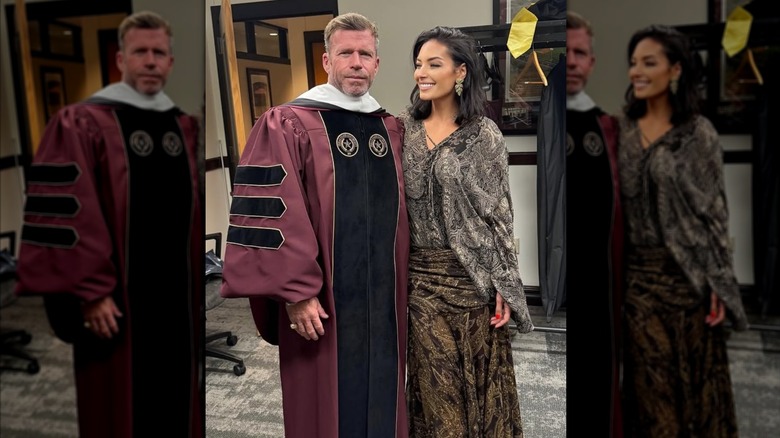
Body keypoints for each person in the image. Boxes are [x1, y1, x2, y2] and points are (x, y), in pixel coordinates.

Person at [14, 11, 204, 438]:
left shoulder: (182, 126)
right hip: (116, 304)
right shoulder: (82, 122)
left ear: (171, 62)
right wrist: (92, 291)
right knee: (120, 409)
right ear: (121, 59)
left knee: (178, 399)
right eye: (140, 52)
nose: (151, 61)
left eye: (159, 53)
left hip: (177, 300)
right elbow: (70, 213)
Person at [219, 12, 409, 438]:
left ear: (377, 63)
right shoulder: (288, 123)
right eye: (346, 53)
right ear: (327, 60)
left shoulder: (391, 127)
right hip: (323, 305)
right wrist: (297, 293)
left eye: (365, 54)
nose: (356, 62)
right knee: (324, 406)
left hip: (385, 305)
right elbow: (274, 214)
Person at [399, 26, 533, 437]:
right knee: (440, 398)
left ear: (460, 72)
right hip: (422, 282)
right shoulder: (402, 130)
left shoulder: (483, 135)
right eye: (418, 64)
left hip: (472, 283)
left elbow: (499, 217)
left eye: (433, 64)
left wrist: (505, 287)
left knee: (478, 391)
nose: (422, 72)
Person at [617, 24, 749, 438]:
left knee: (697, 397)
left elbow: (714, 216)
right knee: (652, 398)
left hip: (688, 282)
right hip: (639, 283)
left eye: (649, 63)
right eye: (633, 63)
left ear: (675, 70)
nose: (637, 71)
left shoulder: (698, 134)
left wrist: (718, 284)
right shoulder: (619, 132)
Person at [565, 11, 624, 438]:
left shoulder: (609, 129)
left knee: (599, 380)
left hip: (602, 282)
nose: (571, 61)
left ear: (592, 63)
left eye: (580, 53)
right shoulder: (549, 120)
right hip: (562, 278)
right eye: (564, 52)